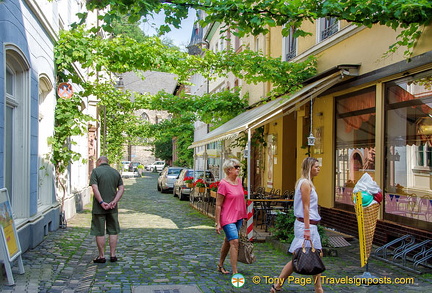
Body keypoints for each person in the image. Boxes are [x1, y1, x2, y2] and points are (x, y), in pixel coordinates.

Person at [270, 157, 324, 293]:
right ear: (309, 167)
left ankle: (318, 288)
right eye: (316, 167)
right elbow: (306, 207)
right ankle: (278, 285)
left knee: (315, 254)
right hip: (306, 225)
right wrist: (306, 229)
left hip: (309, 225)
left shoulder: (307, 182)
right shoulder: (305, 183)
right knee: (300, 257)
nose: (319, 169)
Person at [89, 156, 125, 263]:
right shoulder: (115, 172)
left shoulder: (95, 172)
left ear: (99, 161)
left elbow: (94, 188)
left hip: (99, 208)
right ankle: (113, 255)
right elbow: (121, 188)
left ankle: (102, 256)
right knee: (113, 231)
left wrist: (101, 202)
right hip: (112, 208)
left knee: (99, 231)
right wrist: (114, 201)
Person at [215, 158, 247, 275]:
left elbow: (240, 199)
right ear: (229, 170)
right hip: (227, 218)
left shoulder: (238, 181)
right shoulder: (223, 184)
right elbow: (218, 205)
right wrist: (217, 222)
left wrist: (244, 215)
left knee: (228, 241)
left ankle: (220, 264)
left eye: (239, 166)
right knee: (234, 241)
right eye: (236, 167)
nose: (239, 169)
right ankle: (235, 271)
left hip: (238, 217)